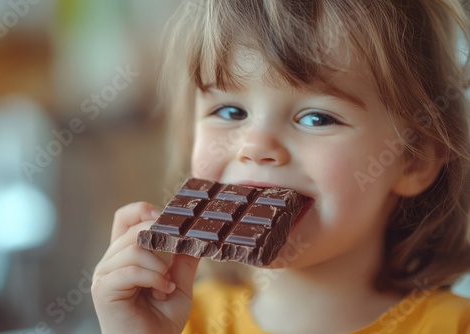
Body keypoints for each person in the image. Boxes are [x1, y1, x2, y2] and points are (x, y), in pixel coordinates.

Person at [91, 0, 470, 333]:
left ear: (413, 159)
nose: (255, 147)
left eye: (317, 118)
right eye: (230, 111)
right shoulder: (178, 319)